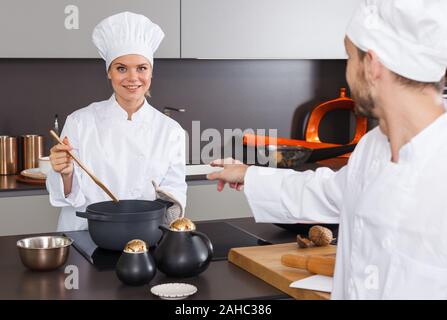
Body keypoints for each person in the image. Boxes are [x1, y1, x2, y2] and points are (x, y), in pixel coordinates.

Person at [207, 0, 447, 299]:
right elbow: (330, 192)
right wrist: (248, 174)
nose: (347, 71)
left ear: (372, 65)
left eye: (348, 57)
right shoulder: (373, 146)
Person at [47, 12, 187, 231]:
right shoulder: (79, 122)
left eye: (141, 68)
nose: (132, 78)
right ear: (109, 73)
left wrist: (165, 205)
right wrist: (65, 173)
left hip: (144, 235)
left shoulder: (171, 131)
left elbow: (175, 190)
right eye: (121, 68)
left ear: (151, 72)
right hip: (86, 234)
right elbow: (67, 194)